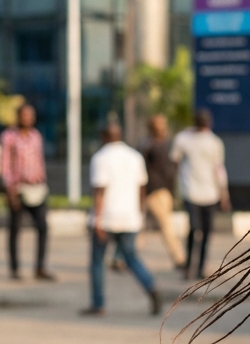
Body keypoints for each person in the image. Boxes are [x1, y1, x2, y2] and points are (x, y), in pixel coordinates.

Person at [83, 123, 160, 316]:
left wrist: (97, 220)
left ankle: (98, 304)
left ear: (103, 137)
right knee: (131, 257)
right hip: (130, 217)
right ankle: (151, 287)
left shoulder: (100, 157)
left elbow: (100, 191)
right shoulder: (135, 157)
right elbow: (142, 188)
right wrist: (141, 215)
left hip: (107, 217)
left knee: (97, 261)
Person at [171, 110, 230, 281]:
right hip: (197, 191)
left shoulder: (191, 140)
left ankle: (195, 267)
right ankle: (194, 267)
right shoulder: (199, 141)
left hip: (202, 192)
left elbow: (175, 163)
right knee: (201, 230)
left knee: (198, 230)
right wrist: (224, 194)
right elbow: (219, 170)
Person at [0, 103, 55, 281]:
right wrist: (10, 189)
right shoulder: (9, 137)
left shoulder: (36, 136)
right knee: (15, 229)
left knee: (43, 227)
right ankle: (15, 268)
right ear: (18, 117)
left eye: (30, 115)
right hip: (18, 188)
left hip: (36, 188)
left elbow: (39, 161)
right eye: (24, 115)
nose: (28, 119)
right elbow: (5, 164)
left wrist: (43, 182)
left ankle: (40, 266)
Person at [141, 114, 187, 269]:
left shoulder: (154, 146)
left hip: (156, 192)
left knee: (164, 226)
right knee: (140, 226)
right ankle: (122, 257)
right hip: (158, 191)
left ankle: (179, 258)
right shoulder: (155, 146)